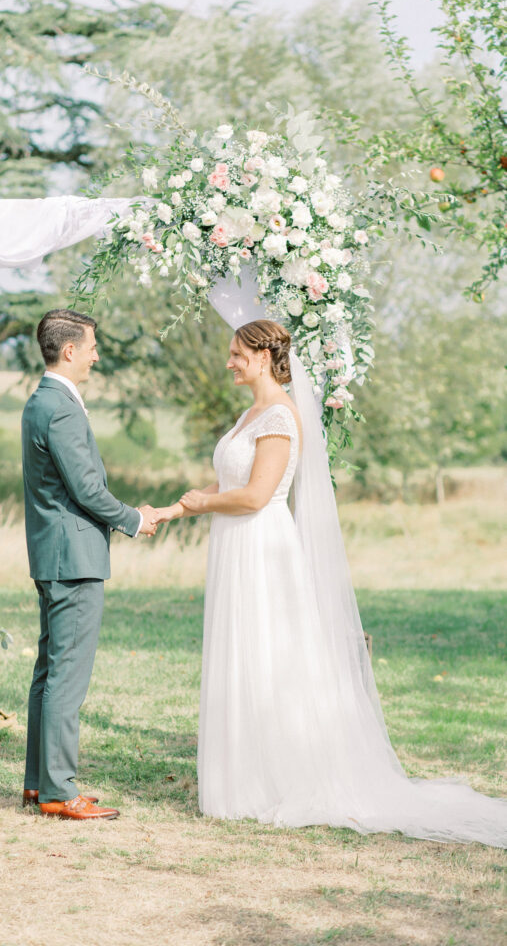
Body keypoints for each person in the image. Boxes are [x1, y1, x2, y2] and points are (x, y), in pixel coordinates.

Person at [155, 319, 507, 846]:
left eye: (236, 353)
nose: (228, 361)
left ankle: (270, 779)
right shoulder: (250, 412)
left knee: (270, 657)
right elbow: (227, 482)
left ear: (263, 355)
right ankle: (242, 774)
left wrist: (205, 504)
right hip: (235, 546)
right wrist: (174, 508)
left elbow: (254, 496)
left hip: (262, 547)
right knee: (244, 655)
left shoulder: (278, 416)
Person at [21, 308, 158, 820]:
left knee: (50, 671)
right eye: (93, 346)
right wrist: (132, 518)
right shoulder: (60, 407)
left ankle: (39, 783)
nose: (98, 355)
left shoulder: (43, 402)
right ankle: (58, 790)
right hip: (72, 559)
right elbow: (85, 489)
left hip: (54, 554)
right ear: (70, 350)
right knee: (67, 676)